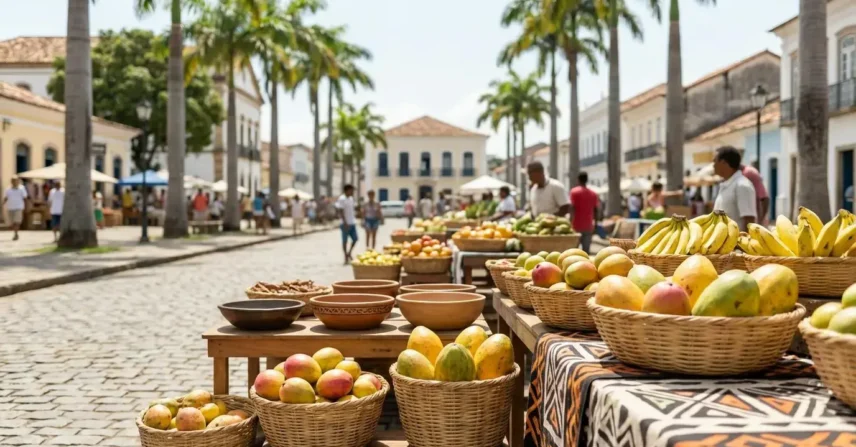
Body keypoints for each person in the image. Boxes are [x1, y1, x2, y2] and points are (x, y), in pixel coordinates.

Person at [712, 146, 757, 231]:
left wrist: (742, 243)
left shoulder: (742, 185)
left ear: (724, 163)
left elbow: (749, 220)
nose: (713, 165)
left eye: (715, 161)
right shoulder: (726, 185)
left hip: (736, 242)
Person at [570, 172, 600, 254]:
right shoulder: (593, 193)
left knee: (574, 252)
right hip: (588, 225)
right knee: (586, 252)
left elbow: (572, 208)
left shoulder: (574, 192)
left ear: (578, 180)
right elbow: (596, 210)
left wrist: (570, 222)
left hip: (576, 225)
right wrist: (596, 223)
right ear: (587, 180)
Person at [336, 184, 359, 264]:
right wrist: (345, 222)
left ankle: (349, 253)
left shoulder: (351, 199)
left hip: (352, 222)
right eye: (351, 190)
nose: (352, 192)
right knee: (345, 240)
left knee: (355, 239)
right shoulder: (342, 199)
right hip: (345, 223)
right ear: (347, 190)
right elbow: (341, 211)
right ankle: (345, 255)